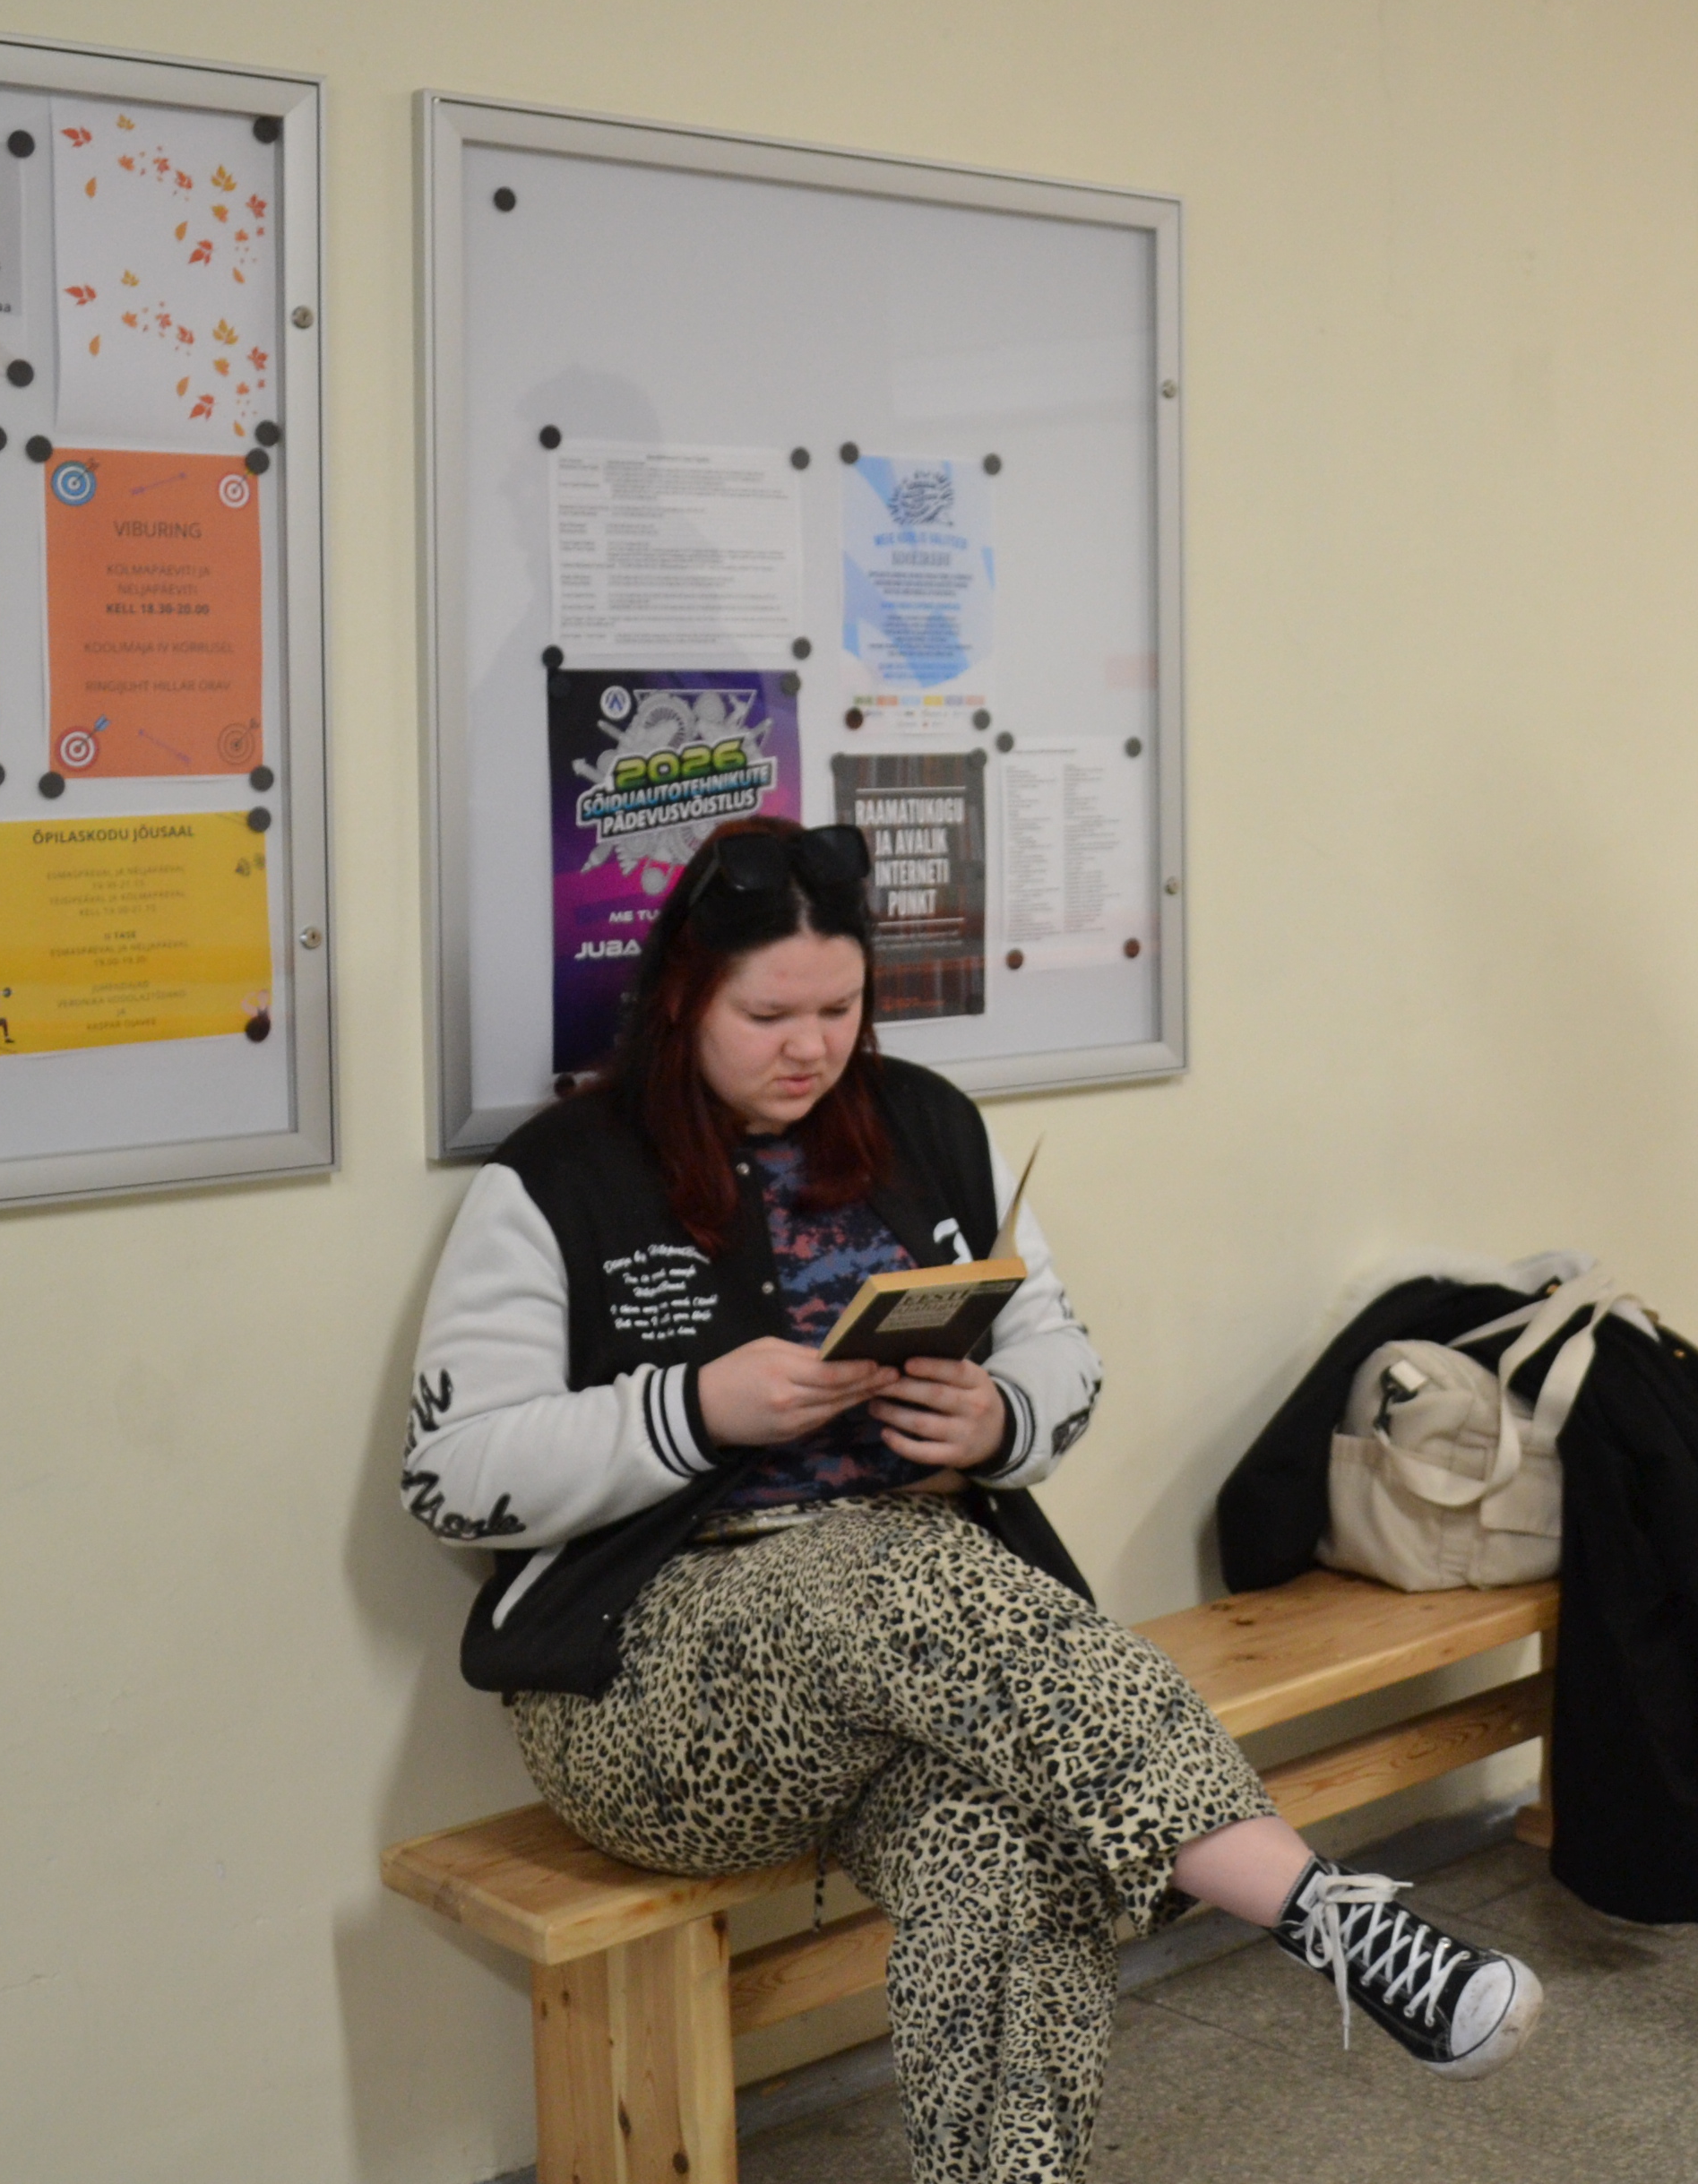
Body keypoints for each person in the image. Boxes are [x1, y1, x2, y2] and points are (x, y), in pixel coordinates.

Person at [401, 816, 1542, 2184]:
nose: (810, 1049)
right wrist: (692, 1409)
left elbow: (1058, 1349)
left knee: (1004, 1850)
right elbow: (450, 1478)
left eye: (840, 1010)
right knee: (884, 1574)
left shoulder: (925, 1124)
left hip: (935, 1668)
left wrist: (1000, 1418)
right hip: (650, 1693)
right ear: (682, 1001)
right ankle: (1327, 1918)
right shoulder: (559, 1176)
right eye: (767, 1016)